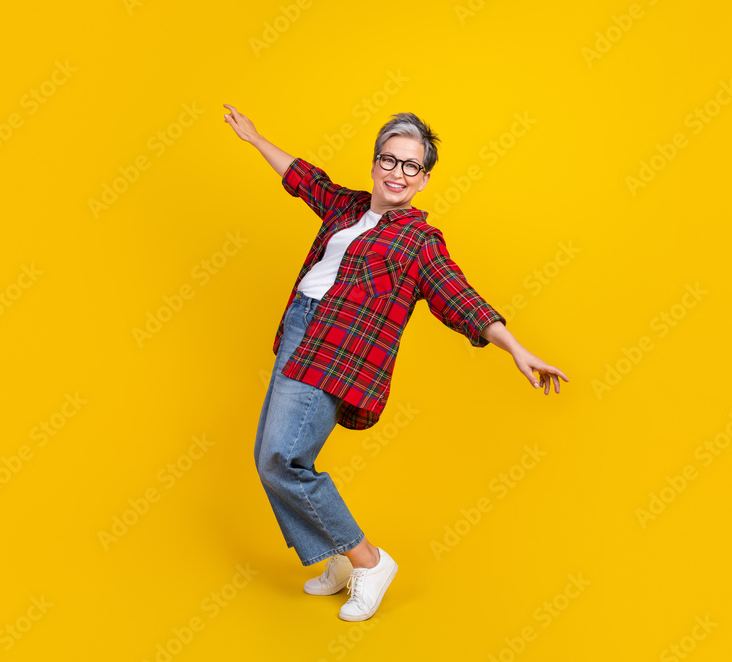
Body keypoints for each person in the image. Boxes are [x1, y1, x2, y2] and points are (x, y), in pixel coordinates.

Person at [223, 104, 569, 622]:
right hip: (298, 330)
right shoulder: (347, 207)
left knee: (281, 459)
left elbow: (458, 296)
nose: (398, 173)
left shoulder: (417, 240)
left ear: (424, 179)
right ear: (375, 164)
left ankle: (369, 561)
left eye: (411, 166)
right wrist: (255, 139)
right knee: (269, 458)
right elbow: (304, 179)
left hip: (335, 353)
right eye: (390, 160)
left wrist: (515, 346)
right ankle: (334, 560)